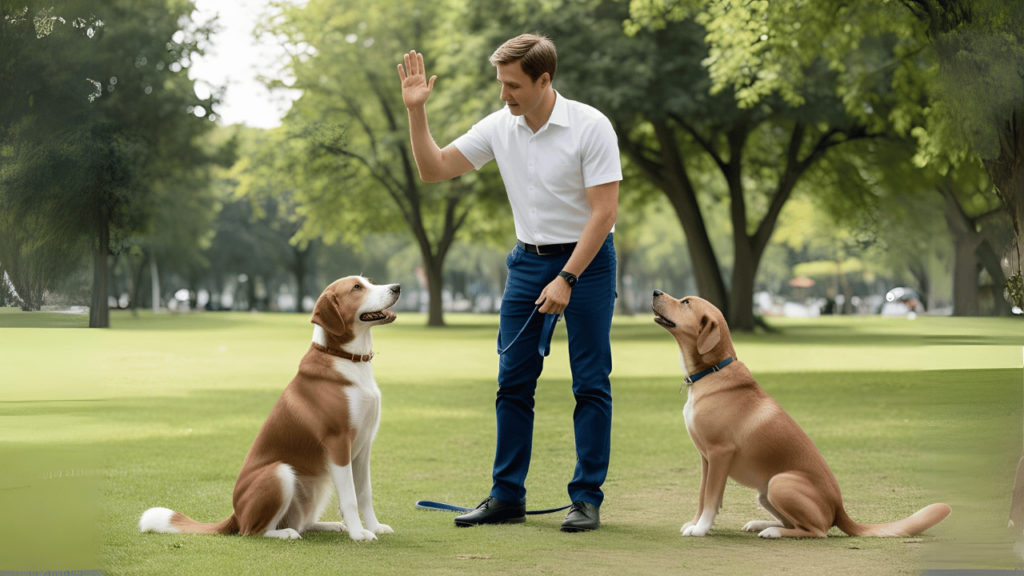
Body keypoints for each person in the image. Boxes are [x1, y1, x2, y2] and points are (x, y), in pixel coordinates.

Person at [398, 33, 621, 532]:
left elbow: (604, 213)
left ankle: (585, 498)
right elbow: (434, 169)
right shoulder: (501, 127)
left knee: (590, 383)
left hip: (587, 262)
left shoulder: (591, 126)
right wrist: (417, 111)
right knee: (512, 383)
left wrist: (567, 277)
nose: (504, 95)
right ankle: (507, 496)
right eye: (501, 84)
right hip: (527, 264)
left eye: (513, 85)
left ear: (545, 80)